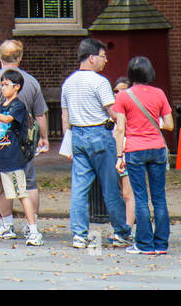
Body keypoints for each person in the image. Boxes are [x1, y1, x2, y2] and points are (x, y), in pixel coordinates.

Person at [59, 37, 133, 249]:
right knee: (110, 187)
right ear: (91, 58)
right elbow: (113, 112)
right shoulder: (99, 82)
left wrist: (68, 141)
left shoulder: (68, 82)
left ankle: (79, 234)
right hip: (99, 134)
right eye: (102, 56)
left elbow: (65, 117)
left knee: (79, 189)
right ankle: (121, 231)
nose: (105, 60)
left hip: (78, 136)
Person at [0, 39, 49, 238]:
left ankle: (7, 224)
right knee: (29, 183)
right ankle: (32, 224)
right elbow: (40, 114)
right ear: (20, 57)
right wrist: (44, 137)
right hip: (24, 141)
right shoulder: (31, 82)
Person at [113, 55, 174, 255]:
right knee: (159, 197)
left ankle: (144, 243)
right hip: (157, 148)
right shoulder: (159, 94)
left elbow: (120, 128)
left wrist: (119, 156)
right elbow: (170, 124)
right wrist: (154, 124)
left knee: (140, 198)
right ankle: (161, 243)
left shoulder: (123, 96)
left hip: (134, 149)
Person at [111, 79, 137, 230]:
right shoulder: (111, 109)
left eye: (123, 90)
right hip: (114, 153)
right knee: (119, 193)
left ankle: (128, 228)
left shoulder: (130, 109)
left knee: (128, 193)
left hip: (127, 153)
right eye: (116, 91)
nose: (119, 94)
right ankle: (123, 226)